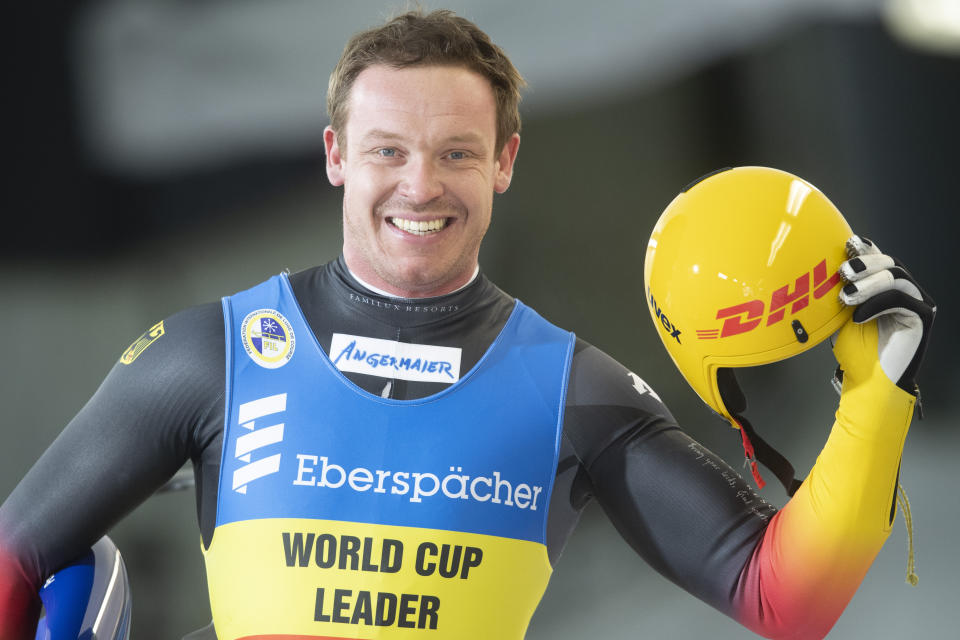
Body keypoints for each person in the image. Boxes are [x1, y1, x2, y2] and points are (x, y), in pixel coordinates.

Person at [0, 9, 935, 640]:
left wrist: (875, 391)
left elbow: (783, 595)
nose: (420, 185)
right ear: (335, 156)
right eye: (387, 152)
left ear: (505, 163)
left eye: (456, 152)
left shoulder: (576, 391)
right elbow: (16, 560)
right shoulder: (212, 355)